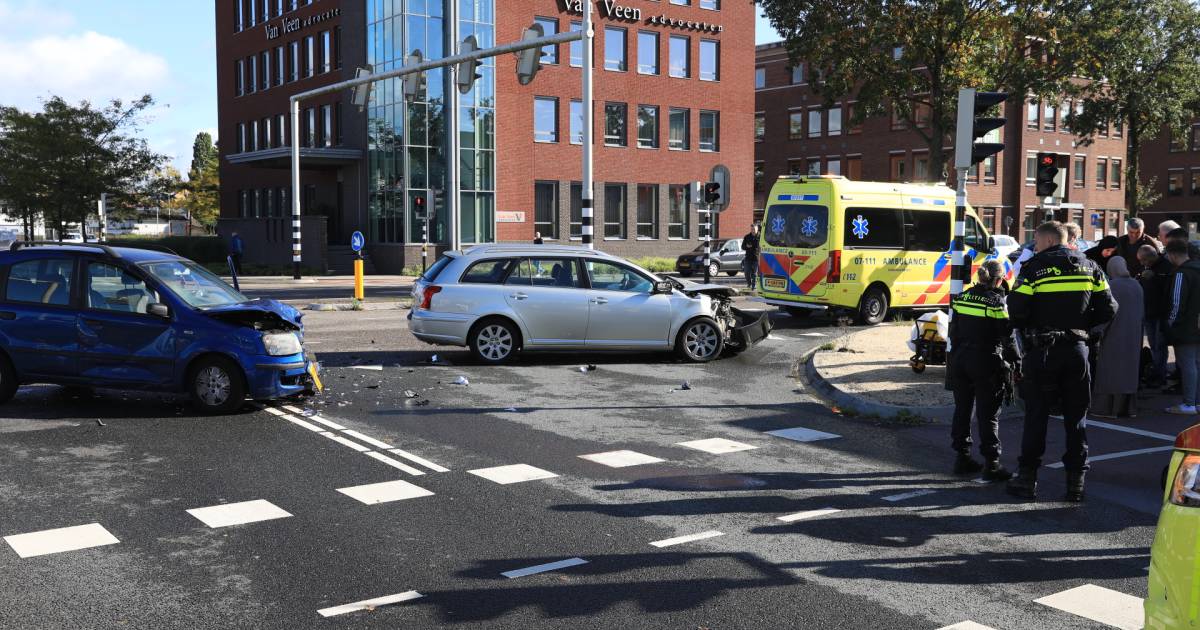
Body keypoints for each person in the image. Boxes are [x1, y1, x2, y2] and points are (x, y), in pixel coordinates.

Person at [1006, 221, 1117, 502]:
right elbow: (1109, 308)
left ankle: (1027, 480)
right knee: (1076, 419)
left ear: (1043, 241)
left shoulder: (1034, 269)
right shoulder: (1091, 267)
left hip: (1042, 352)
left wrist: (1036, 326)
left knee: (1036, 417)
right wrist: (1082, 329)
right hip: (1077, 351)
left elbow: (1016, 309)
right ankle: (1076, 484)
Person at [947, 260, 1016, 481]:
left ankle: (962, 457)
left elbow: (953, 331)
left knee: (962, 409)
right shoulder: (996, 302)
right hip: (985, 360)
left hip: (959, 360)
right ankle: (992, 463)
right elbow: (1007, 337)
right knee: (988, 414)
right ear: (999, 279)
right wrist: (1017, 363)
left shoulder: (962, 297)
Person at [1091, 257, 1143, 418]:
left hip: (1114, 334)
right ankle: (1128, 409)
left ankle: (1107, 409)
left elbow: (1105, 314)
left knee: (1110, 373)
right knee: (1129, 372)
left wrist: (1095, 331)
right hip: (1133, 334)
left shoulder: (1111, 286)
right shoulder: (1136, 285)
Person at [1165, 240, 1200, 415]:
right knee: (1197, 364)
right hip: (1197, 323)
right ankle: (1196, 402)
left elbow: (1177, 304)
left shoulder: (1182, 273)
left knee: (1187, 365)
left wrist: (1171, 324)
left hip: (1186, 327)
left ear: (1172, 254)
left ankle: (1188, 403)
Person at [1139, 245, 1174, 388]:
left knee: (1160, 346)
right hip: (1149, 312)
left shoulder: (1166, 267)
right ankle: (1156, 372)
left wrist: (1153, 279)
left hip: (1160, 313)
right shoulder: (1148, 268)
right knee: (1153, 345)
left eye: (1143, 260)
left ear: (1151, 257)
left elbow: (1168, 289)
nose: (1142, 263)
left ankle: (1160, 375)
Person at [742, 223, 761, 290]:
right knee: (746, 272)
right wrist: (746, 246)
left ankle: (754, 285)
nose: (753, 230)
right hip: (748, 257)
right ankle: (749, 283)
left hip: (756, 258)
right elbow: (742, 247)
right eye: (752, 229)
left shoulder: (760, 237)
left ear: (757, 229)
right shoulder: (747, 237)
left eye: (754, 229)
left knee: (755, 273)